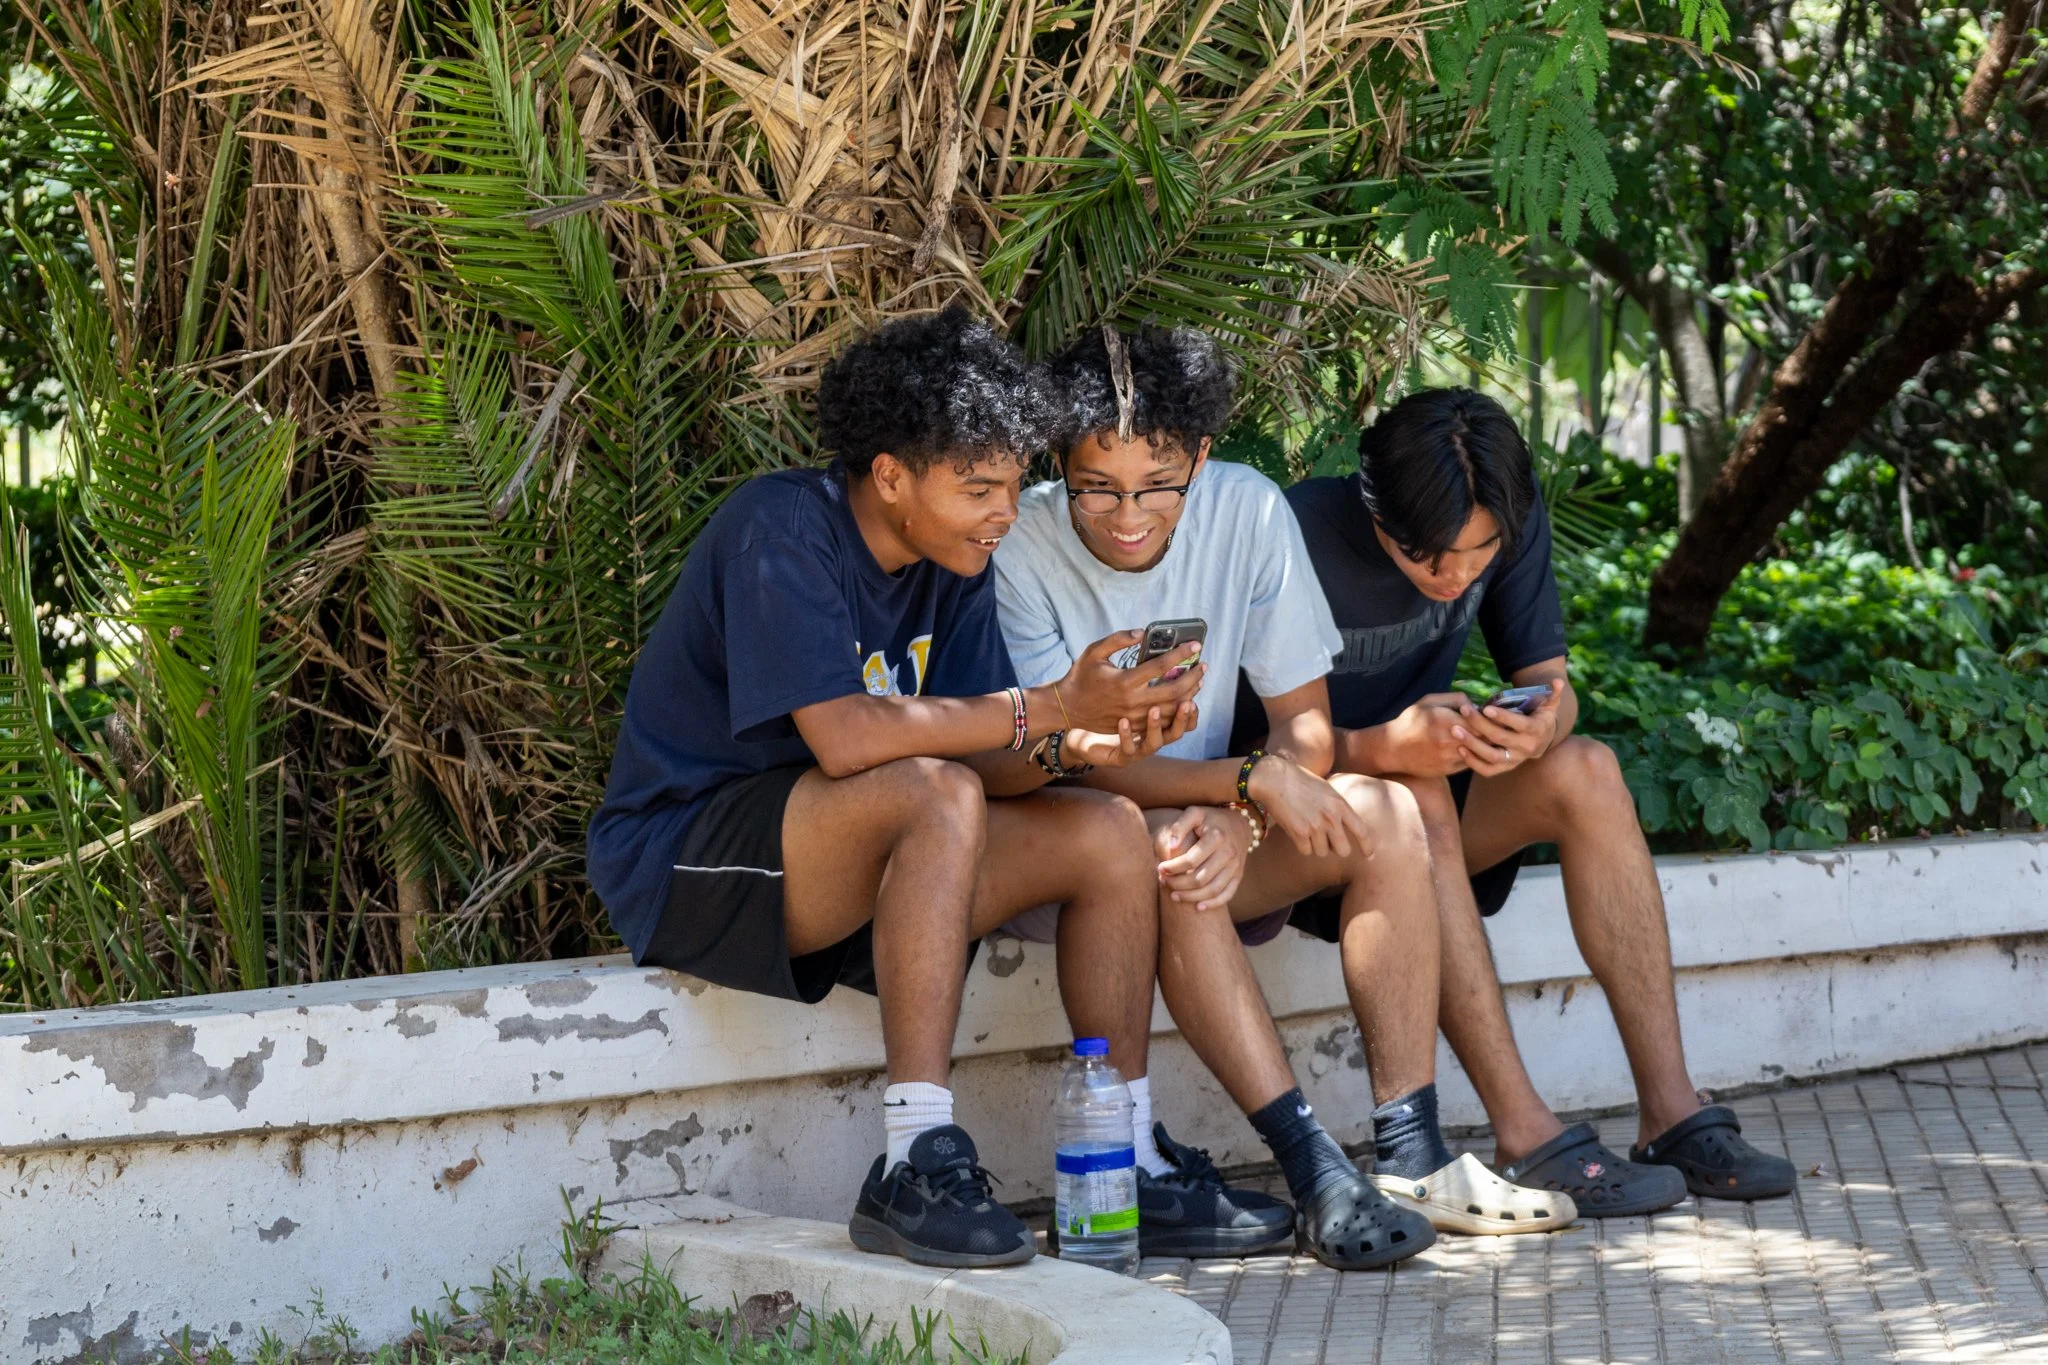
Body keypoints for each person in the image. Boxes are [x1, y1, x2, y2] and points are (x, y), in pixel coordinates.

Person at [587, 307, 1207, 1270]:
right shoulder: (779, 528)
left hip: (851, 852)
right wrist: (1049, 701)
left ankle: (1123, 1158)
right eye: (978, 488)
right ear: (889, 475)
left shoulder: (953, 559)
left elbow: (989, 751)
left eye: (1014, 485)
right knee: (934, 792)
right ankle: (915, 1159)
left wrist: (1077, 740)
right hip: (688, 861)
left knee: (1108, 831)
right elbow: (847, 740)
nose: (1005, 513)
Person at [993, 326, 1576, 1272]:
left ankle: (1409, 1151)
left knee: (1387, 812)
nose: (1129, 515)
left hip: (1218, 808)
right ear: (1057, 464)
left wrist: (1243, 812)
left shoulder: (1249, 510)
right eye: (1098, 487)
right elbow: (1059, 760)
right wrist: (1236, 789)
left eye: (1158, 484)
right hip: (1082, 834)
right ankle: (1312, 1167)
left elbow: (1304, 725)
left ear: (1200, 458)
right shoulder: (1020, 542)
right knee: (1168, 849)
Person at [1287, 386, 1798, 1212]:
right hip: (1294, 819)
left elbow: (1554, 688)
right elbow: (1249, 751)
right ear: (1374, 501)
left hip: (1419, 795)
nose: (1456, 576)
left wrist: (1539, 728)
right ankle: (1525, 1134)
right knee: (1418, 794)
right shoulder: (1292, 533)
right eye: (1429, 558)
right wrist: (1382, 746)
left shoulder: (1507, 512)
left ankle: (1672, 1111)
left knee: (1586, 770)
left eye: (1478, 554)